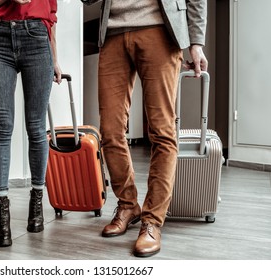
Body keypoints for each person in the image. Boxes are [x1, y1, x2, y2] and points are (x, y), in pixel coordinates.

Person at [81, 0, 208, 257]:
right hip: (113, 33)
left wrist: (196, 42)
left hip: (160, 30)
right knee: (110, 130)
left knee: (162, 132)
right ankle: (128, 206)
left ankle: (152, 220)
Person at [0, 0, 62, 247]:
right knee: (2, 126)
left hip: (37, 38)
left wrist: (54, 58)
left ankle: (37, 205)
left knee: (35, 126)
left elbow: (50, 17)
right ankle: (1, 217)